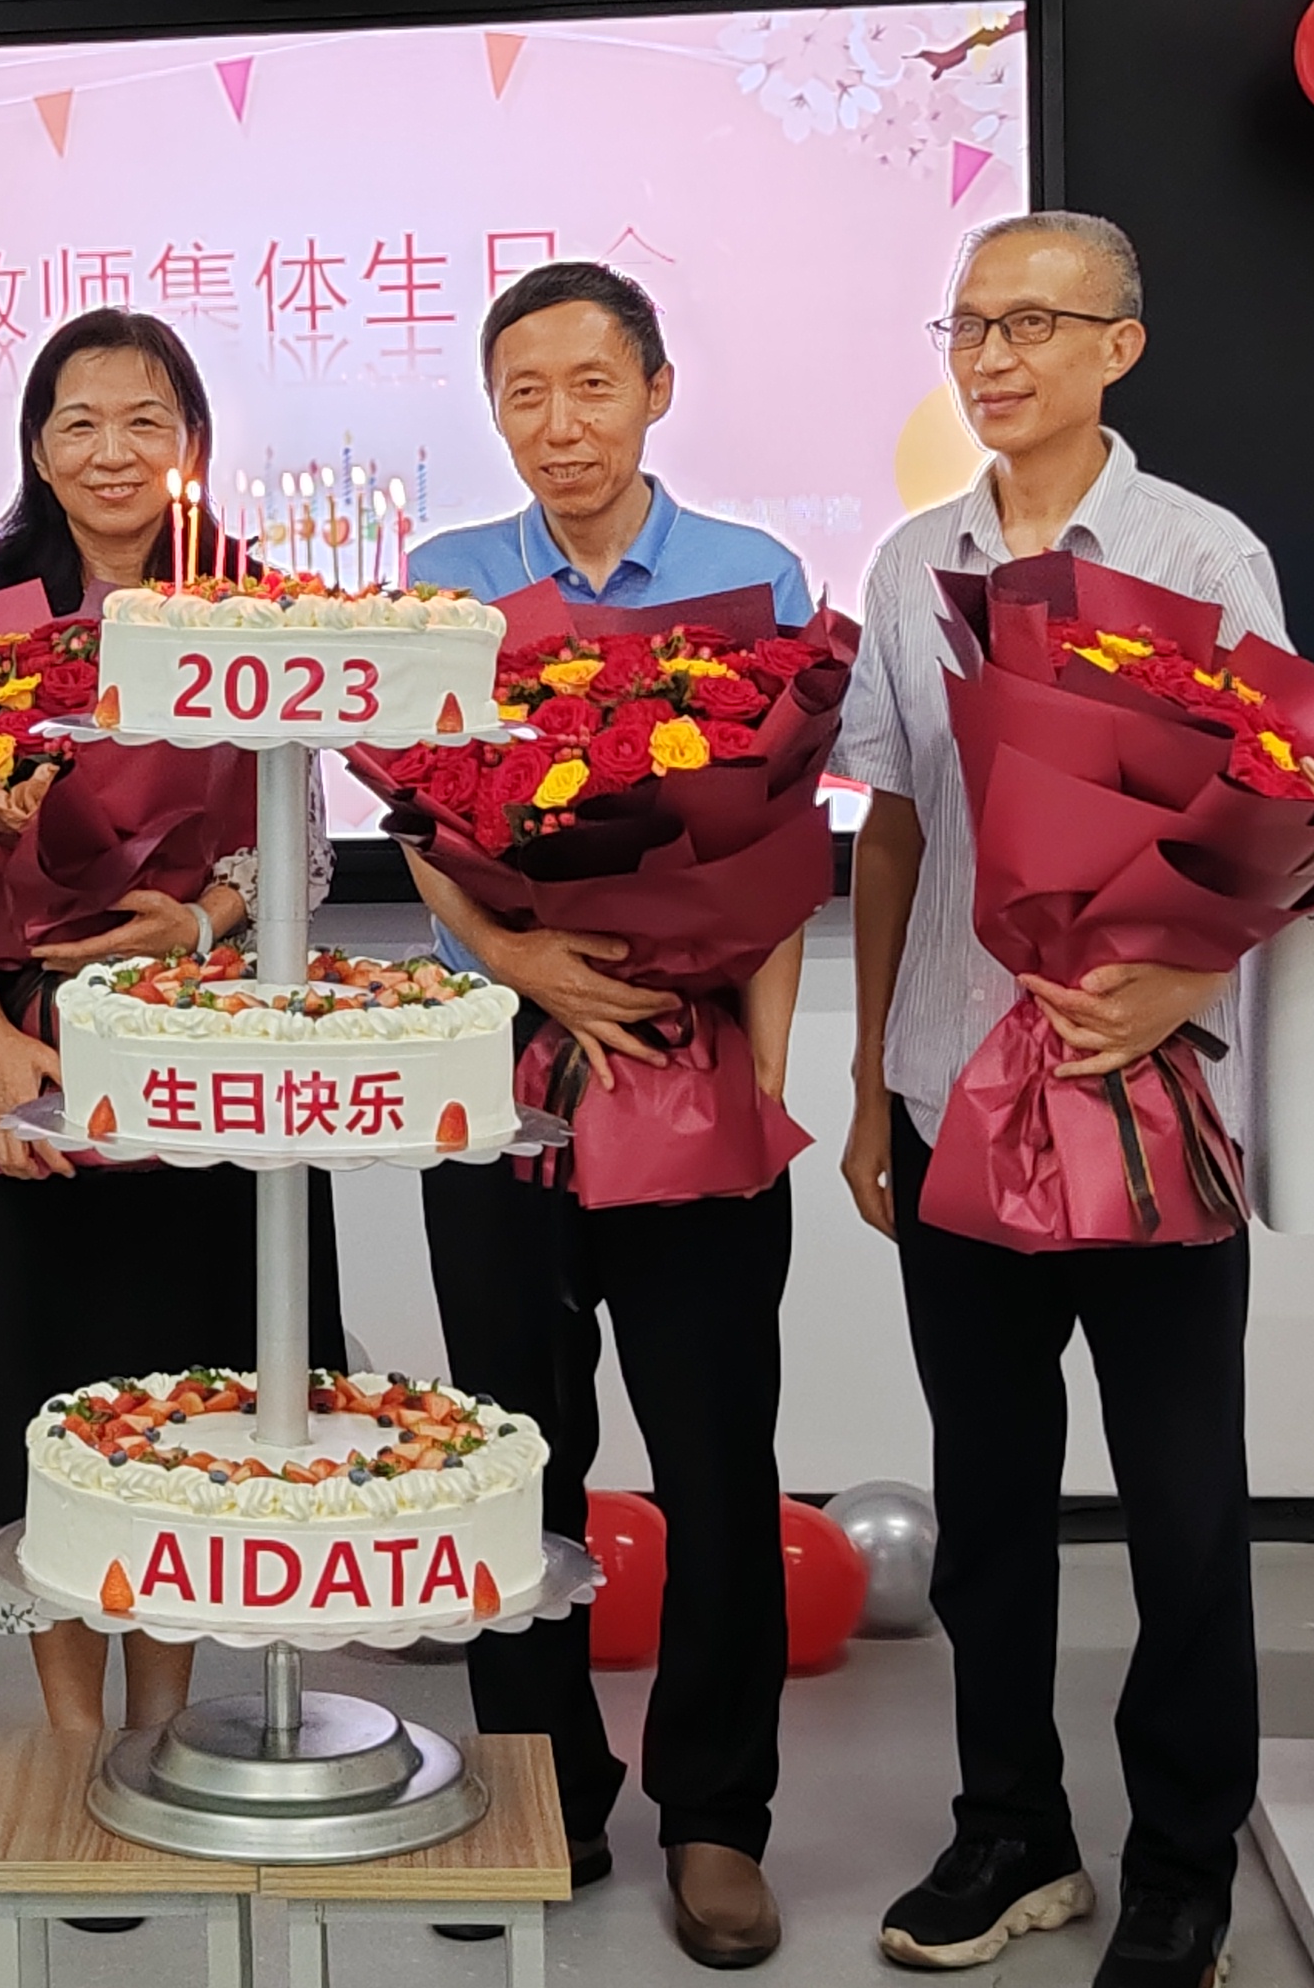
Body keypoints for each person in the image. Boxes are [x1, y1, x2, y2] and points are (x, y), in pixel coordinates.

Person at [835, 212, 1279, 1988]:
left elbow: (1277, 811)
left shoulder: (1200, 553)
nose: (992, 357)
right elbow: (893, 826)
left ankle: (1182, 1863)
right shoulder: (908, 561)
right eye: (968, 325)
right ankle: (1010, 1830)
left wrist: (1188, 983)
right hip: (952, 1089)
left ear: (1119, 348)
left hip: (1140, 1094)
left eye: (1032, 323)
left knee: (1183, 1508)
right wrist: (872, 1082)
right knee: (992, 1505)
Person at [400, 261, 814, 1965]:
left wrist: (764, 1084)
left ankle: (717, 1817)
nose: (557, 424)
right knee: (514, 1449)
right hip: (493, 1060)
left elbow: (779, 842)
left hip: (690, 1053)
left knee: (714, 1456)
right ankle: (539, 1787)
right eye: (523, 392)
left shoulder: (751, 574)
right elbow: (421, 823)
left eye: (590, 385)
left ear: (654, 390)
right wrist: (522, 958)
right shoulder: (444, 583)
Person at [0, 306, 347, 1750]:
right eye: (79, 422)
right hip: (24, 1055)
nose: (112, 450)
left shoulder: (258, 615)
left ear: (191, 443)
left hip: (207, 1065)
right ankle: (76, 1741)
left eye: (145, 420)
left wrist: (196, 927)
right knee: (39, 1396)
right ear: (38, 448)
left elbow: (302, 845)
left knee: (182, 1394)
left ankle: (162, 1724)